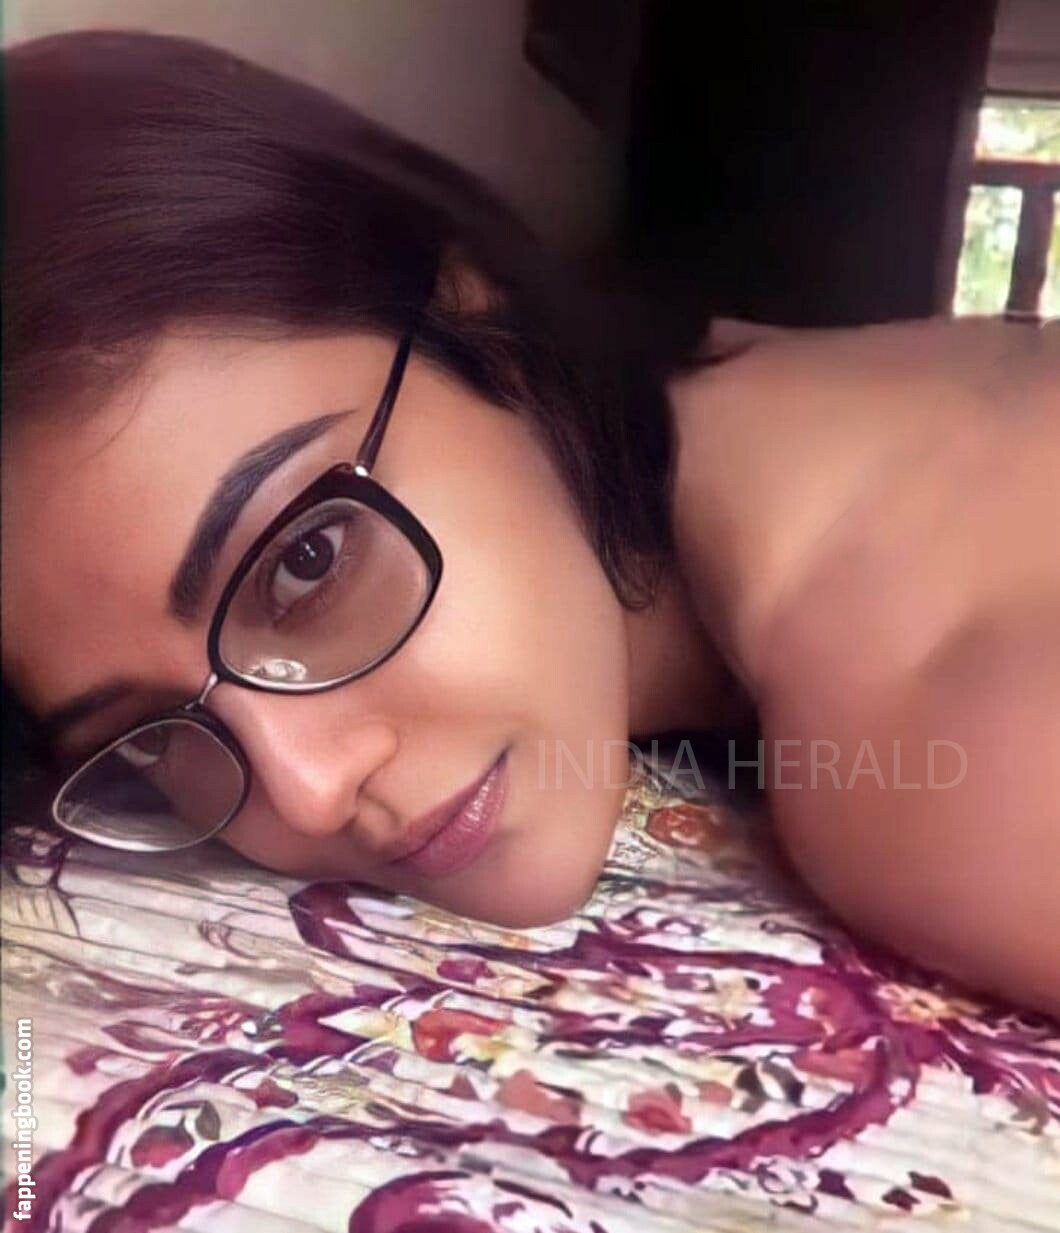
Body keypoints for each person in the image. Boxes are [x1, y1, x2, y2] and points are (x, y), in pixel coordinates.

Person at [2, 31, 1057, 1018]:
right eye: (152, 733)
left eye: (307, 563)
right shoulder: (756, 380)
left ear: (468, 303)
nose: (310, 790)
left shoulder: (948, 762)